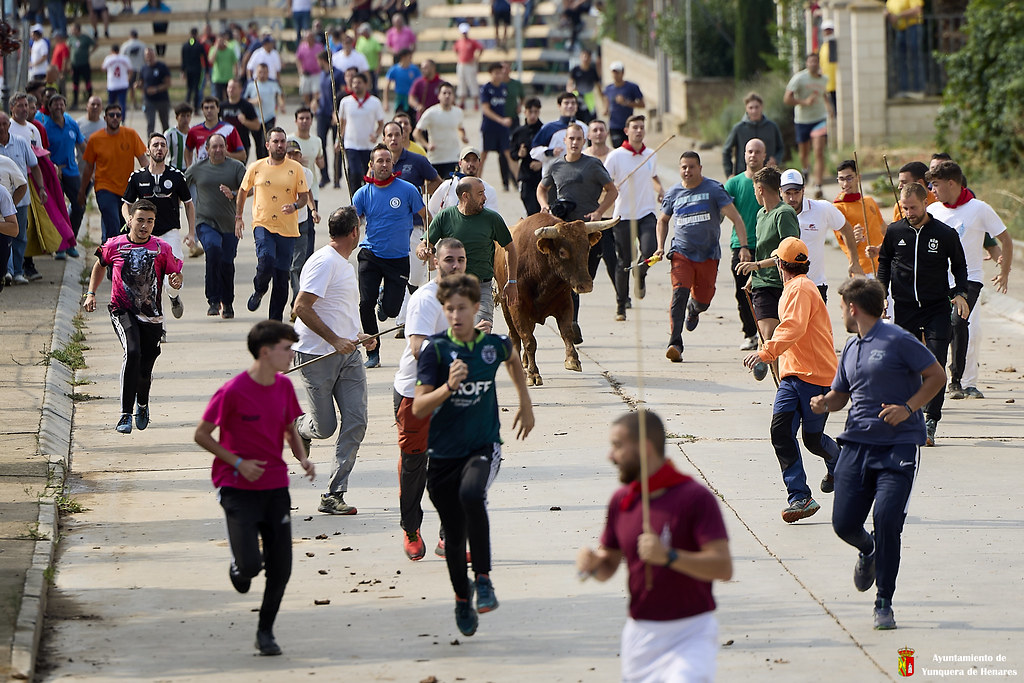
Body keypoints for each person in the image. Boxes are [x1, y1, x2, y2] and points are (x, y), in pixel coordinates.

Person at [810, 276, 945, 630]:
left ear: (852, 308)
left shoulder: (897, 339)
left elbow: (936, 375)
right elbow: (841, 395)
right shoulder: (852, 348)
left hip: (898, 447)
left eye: (840, 306)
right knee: (843, 523)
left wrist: (909, 408)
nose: (840, 312)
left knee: (887, 521)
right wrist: (825, 402)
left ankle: (884, 600)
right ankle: (867, 549)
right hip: (856, 445)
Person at [412, 273, 534, 637]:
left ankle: (483, 579)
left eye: (461, 308)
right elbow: (419, 407)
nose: (455, 316)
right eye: (448, 309)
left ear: (476, 307)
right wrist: (448, 386)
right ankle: (462, 598)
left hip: (483, 445)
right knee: (452, 532)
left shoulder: (491, 345)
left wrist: (525, 403)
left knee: (471, 495)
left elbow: (513, 359)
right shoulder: (434, 351)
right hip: (444, 454)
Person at [577, 410, 732, 681]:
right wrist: (592, 565)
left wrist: (670, 556)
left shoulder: (695, 498)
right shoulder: (621, 502)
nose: (610, 456)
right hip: (640, 636)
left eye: (617, 446)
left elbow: (723, 567)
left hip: (691, 634)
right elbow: (607, 568)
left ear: (645, 447)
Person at [194, 319, 316, 657]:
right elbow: (201, 434)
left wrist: (302, 458)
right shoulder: (232, 391)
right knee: (250, 567)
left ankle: (265, 631)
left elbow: (291, 428)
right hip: (236, 487)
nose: (292, 355)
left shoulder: (284, 388)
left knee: (281, 567)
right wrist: (237, 463)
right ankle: (239, 565)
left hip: (275, 486)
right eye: (287, 349)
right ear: (266, 352)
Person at [742, 236, 840, 522]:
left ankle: (839, 461)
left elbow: (794, 328)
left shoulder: (799, 289)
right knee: (781, 432)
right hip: (794, 376)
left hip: (813, 376)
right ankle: (800, 497)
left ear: (780, 265)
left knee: (812, 440)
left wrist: (766, 352)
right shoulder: (797, 287)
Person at [292, 206, 377, 517]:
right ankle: (300, 427)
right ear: (354, 232)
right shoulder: (323, 262)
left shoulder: (344, 263)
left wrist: (359, 334)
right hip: (317, 355)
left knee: (357, 421)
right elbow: (301, 307)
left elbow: (339, 308)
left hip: (349, 354)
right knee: (324, 427)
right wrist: (334, 340)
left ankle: (334, 493)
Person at [876, 182, 969, 446]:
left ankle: (931, 419)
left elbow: (960, 265)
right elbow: (884, 262)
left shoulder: (944, 233)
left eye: (913, 207)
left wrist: (960, 292)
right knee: (906, 366)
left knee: (935, 363)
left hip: (936, 307)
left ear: (925, 203)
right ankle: (909, 415)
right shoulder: (895, 231)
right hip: (905, 308)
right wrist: (881, 293)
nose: (908, 212)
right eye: (904, 208)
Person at [392, 238, 468, 559]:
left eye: (461, 260)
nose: (455, 265)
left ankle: (448, 537)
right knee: (415, 466)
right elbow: (417, 348)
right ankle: (411, 527)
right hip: (414, 392)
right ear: (436, 262)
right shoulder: (424, 299)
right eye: (449, 259)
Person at [83, 199, 183, 434]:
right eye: (140, 220)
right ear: (130, 220)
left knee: (145, 368)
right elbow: (100, 264)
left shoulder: (161, 248)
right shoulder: (114, 245)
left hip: (152, 317)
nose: (144, 225)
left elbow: (175, 271)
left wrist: (177, 279)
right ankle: (125, 414)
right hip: (122, 310)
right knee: (133, 352)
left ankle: (143, 404)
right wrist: (91, 293)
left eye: (150, 221)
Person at [925, 160, 1013, 401]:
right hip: (939, 280)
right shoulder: (933, 212)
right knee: (939, 329)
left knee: (958, 322)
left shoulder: (979, 209)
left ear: (951, 183)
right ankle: (935, 378)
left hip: (970, 279)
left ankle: (957, 380)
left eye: (936, 185)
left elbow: (1005, 239)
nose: (932, 190)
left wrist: (1004, 271)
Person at [655, 151, 747, 362]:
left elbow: (736, 218)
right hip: (681, 253)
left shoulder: (714, 190)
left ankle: (694, 309)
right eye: (684, 167)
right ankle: (675, 343)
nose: (687, 171)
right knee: (679, 294)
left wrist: (744, 247)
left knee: (704, 301)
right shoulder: (673, 193)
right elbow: (662, 221)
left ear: (700, 168)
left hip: (708, 255)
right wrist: (660, 247)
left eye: (691, 167)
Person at [537, 123, 617, 342]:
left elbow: (612, 190)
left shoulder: (593, 165)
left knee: (582, 277)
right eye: (570, 138)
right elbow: (542, 188)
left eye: (578, 139)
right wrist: (544, 205)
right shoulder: (555, 166)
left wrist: (600, 212)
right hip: (563, 232)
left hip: (585, 230)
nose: (574, 142)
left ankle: (572, 321)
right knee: (570, 280)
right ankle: (572, 324)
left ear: (584, 141)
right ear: (565, 141)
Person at [353, 144, 426, 368]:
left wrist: (427, 241)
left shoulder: (407, 190)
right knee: (365, 303)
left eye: (387, 161)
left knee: (393, 310)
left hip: (398, 259)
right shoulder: (362, 194)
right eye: (379, 161)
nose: (384, 165)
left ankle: (384, 301)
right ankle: (373, 352)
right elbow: (352, 225)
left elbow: (426, 217)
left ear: (393, 164)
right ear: (372, 164)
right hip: (370, 255)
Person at [237, 127, 311, 321]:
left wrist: (295, 206)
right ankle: (259, 289)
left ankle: (275, 321)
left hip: (287, 229)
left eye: (282, 141)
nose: (280, 145)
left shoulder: (296, 168)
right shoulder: (256, 167)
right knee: (267, 260)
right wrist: (238, 217)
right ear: (267, 144)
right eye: (276, 141)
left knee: (281, 278)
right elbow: (243, 191)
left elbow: (304, 197)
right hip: (263, 224)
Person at [425, 176, 517, 327]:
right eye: (480, 194)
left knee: (482, 331)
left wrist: (512, 281)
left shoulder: (492, 219)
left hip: (481, 289)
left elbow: (510, 249)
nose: (485, 198)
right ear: (465, 196)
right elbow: (425, 244)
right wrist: (423, 251)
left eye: (484, 193)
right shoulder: (445, 216)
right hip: (450, 287)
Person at [122, 132, 195, 320]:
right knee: (150, 282)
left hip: (170, 233)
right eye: (155, 145)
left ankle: (174, 297)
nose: (159, 148)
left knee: (173, 279)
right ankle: (159, 326)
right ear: (148, 150)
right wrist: (128, 219)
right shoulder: (137, 177)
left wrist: (192, 232)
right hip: (146, 236)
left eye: (163, 145)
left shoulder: (176, 176)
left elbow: (188, 203)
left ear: (167, 150)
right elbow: (126, 203)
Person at [604, 114, 662, 321]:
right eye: (634, 127)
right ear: (626, 131)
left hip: (647, 212)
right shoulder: (616, 156)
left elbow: (653, 176)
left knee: (650, 251)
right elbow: (605, 182)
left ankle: (641, 274)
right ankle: (621, 304)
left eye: (641, 127)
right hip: (624, 215)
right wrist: (612, 188)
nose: (639, 131)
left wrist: (660, 189)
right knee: (624, 261)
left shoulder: (650, 154)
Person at [735, 166, 800, 344]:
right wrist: (754, 276)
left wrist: (756, 266)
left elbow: (790, 253)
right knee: (767, 338)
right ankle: (766, 366)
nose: (755, 193)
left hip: (781, 284)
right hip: (762, 285)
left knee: (773, 340)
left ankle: (774, 370)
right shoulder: (760, 214)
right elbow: (762, 250)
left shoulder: (784, 213)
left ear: (760, 189)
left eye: (755, 189)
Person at [779, 169, 865, 300]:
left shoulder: (822, 209)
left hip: (815, 286)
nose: (792, 198)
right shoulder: (774, 214)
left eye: (796, 193)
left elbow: (846, 228)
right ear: (780, 191)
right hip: (784, 288)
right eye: (787, 193)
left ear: (803, 189)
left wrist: (854, 261)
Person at [186, 133, 246, 318]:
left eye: (221, 146)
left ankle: (227, 303)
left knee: (227, 263)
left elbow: (249, 189)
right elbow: (180, 186)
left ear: (226, 147)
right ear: (207, 149)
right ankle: (213, 299)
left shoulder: (236, 167)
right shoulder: (197, 169)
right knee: (212, 250)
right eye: (214, 147)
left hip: (230, 224)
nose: (218, 150)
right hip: (205, 222)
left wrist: (234, 194)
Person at [78, 104, 148, 243]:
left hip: (127, 191)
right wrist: (82, 191)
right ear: (105, 118)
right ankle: (113, 261)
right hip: (105, 188)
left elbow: (143, 161)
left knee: (125, 226)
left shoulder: (131, 135)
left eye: (118, 115)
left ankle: (109, 253)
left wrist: (150, 181)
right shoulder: (95, 139)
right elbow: (88, 168)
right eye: (111, 115)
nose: (115, 118)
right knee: (113, 224)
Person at [723, 138, 765, 351]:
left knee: (766, 292)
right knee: (743, 292)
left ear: (764, 156)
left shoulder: (770, 182)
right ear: (744, 155)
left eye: (757, 152)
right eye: (749, 151)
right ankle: (750, 333)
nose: (753, 155)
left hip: (766, 245)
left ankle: (767, 334)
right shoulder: (734, 183)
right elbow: (721, 214)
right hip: (740, 247)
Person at [41, 94, 87, 244]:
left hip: (72, 172)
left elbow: (82, 146)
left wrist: (92, 166)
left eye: (61, 104)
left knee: (79, 206)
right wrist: (52, 167)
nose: (59, 107)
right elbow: (42, 152)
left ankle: (71, 239)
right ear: (49, 107)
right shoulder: (45, 127)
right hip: (54, 174)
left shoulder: (71, 123)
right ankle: (60, 243)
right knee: (58, 209)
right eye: (55, 104)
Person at [784, 54, 831, 199]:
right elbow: (787, 99)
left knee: (818, 151)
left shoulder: (824, 79)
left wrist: (830, 109)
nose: (813, 64)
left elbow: (824, 95)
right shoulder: (799, 78)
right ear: (807, 63)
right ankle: (805, 170)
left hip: (819, 119)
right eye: (811, 61)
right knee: (804, 154)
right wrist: (804, 102)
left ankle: (818, 185)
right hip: (802, 120)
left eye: (816, 61)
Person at [337, 71, 386, 200]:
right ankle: (355, 202)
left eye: (359, 82)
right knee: (354, 173)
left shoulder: (374, 102)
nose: (356, 85)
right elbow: (342, 123)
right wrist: (339, 140)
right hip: (351, 143)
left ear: (366, 84)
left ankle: (368, 199)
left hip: (368, 145)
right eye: (354, 83)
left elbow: (381, 123)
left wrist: (376, 134)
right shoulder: (345, 102)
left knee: (368, 174)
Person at [285, 141, 319, 308]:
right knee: (287, 267)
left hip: (301, 223)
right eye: (289, 154)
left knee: (297, 265)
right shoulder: (279, 172)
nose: (292, 157)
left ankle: (296, 302)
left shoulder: (306, 173)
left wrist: (313, 210)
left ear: (300, 156)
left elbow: (307, 192)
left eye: (295, 154)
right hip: (283, 224)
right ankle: (295, 298)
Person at [721, 92, 785, 177]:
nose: (754, 111)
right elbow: (726, 151)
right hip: (743, 174)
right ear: (746, 108)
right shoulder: (739, 128)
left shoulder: (772, 127)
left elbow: (781, 148)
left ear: (761, 107)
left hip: (767, 175)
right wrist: (729, 173)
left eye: (756, 107)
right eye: (751, 108)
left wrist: (776, 159)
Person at [413, 82, 468, 179]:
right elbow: (416, 133)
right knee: (435, 191)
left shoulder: (458, 112)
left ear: (453, 96)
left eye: (450, 93)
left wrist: (463, 136)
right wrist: (427, 145)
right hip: (435, 159)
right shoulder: (431, 113)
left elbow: (460, 128)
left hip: (453, 157)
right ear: (439, 96)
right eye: (444, 93)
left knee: (450, 189)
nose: (447, 96)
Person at [427, 146, 500, 215]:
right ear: (460, 163)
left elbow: (492, 217)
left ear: (480, 163)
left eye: (474, 160)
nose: (471, 164)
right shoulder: (448, 186)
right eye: (467, 160)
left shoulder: (489, 190)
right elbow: (431, 210)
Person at [529, 92, 583, 179]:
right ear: (559, 106)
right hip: (554, 178)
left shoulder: (584, 128)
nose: (570, 106)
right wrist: (550, 152)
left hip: (578, 177)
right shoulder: (549, 128)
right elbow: (534, 151)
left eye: (573, 103)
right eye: (566, 103)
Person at [186, 97, 246, 166]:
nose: (209, 110)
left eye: (212, 107)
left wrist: (227, 155)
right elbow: (187, 150)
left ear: (218, 109)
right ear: (202, 110)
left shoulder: (230, 129)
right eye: (206, 108)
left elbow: (243, 155)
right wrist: (189, 167)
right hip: (203, 172)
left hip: (223, 171)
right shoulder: (194, 130)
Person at [313, 53, 344, 187]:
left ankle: (337, 177)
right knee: (321, 143)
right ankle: (324, 176)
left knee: (336, 145)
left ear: (322, 60)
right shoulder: (322, 74)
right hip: (322, 113)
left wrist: (336, 111)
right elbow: (322, 92)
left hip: (334, 113)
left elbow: (342, 93)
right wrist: (316, 100)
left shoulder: (337, 74)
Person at [479, 63, 513, 180]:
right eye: (496, 73)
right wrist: (500, 120)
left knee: (508, 153)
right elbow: (485, 109)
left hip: (502, 128)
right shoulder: (486, 89)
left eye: (500, 73)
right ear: (491, 74)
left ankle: (519, 181)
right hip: (489, 126)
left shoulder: (504, 87)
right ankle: (477, 179)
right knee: (484, 154)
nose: (498, 75)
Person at [885, 0, 925, 97]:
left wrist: (898, 15)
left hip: (913, 27)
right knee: (901, 60)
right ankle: (904, 90)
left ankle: (918, 90)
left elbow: (917, 10)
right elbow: (888, 11)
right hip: (900, 30)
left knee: (914, 58)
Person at [510, 98, 543, 216]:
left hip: (542, 177)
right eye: (530, 112)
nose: (533, 115)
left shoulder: (544, 130)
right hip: (526, 177)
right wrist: (519, 154)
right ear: (525, 112)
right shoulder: (519, 132)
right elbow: (512, 154)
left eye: (536, 112)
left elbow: (552, 153)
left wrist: (541, 163)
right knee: (531, 211)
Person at [244, 63, 285, 152]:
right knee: (258, 144)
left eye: (265, 72)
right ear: (256, 72)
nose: (262, 75)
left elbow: (279, 95)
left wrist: (281, 104)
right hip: (255, 118)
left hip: (269, 117)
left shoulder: (273, 83)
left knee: (266, 142)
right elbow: (244, 101)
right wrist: (253, 101)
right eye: (260, 72)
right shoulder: (251, 85)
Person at [602, 62, 644, 148]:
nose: (615, 75)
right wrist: (606, 110)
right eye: (614, 72)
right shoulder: (608, 89)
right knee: (618, 147)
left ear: (623, 73)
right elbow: (606, 101)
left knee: (629, 148)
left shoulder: (631, 87)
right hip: (614, 125)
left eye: (618, 72)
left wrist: (626, 102)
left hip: (628, 124)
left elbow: (642, 104)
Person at [220, 80, 261, 162]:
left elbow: (257, 126)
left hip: (242, 144)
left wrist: (245, 121)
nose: (231, 90)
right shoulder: (221, 106)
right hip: (225, 144)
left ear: (240, 89)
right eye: (229, 87)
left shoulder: (246, 106)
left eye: (234, 88)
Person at [137, 48, 171, 135]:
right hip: (149, 100)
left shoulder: (162, 67)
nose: (149, 57)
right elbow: (141, 81)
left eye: (151, 55)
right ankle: (151, 144)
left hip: (162, 99)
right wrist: (138, 85)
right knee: (150, 123)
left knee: (165, 123)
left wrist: (156, 89)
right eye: (147, 55)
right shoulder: (143, 68)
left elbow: (168, 83)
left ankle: (165, 143)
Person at [453, 23, 483, 110]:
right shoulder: (459, 42)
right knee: (462, 82)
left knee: (472, 82)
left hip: (470, 65)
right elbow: (455, 50)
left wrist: (475, 59)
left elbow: (480, 48)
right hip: (462, 64)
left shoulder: (472, 42)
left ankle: (476, 102)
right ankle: (462, 102)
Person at [384, 49, 421, 116]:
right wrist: (386, 102)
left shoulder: (414, 69)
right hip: (400, 99)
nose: (411, 59)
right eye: (409, 57)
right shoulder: (394, 69)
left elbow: (420, 83)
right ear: (403, 57)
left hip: (412, 98)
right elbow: (387, 86)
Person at [68, 23, 97, 109]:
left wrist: (90, 53)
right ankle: (75, 102)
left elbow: (95, 44)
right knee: (75, 83)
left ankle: (90, 101)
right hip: (74, 64)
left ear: (78, 29)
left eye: (73, 29)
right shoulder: (71, 39)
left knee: (87, 82)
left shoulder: (85, 38)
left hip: (84, 64)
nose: (72, 31)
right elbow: (69, 47)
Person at [568, 49, 600, 118]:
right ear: (580, 57)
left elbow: (598, 87)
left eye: (587, 57)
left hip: (589, 99)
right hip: (578, 97)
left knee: (590, 118)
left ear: (590, 59)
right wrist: (571, 93)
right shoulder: (575, 70)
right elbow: (570, 84)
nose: (585, 59)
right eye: (583, 56)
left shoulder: (593, 71)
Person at [181, 29, 209, 110]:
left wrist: (183, 70)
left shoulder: (185, 45)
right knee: (196, 88)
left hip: (188, 70)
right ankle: (196, 108)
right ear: (196, 34)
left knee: (189, 89)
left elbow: (183, 60)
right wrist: (207, 70)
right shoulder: (199, 45)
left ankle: (186, 107)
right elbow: (205, 57)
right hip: (197, 69)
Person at [209, 31, 240, 102]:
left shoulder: (230, 50)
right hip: (218, 78)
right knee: (218, 97)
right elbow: (211, 61)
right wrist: (216, 48)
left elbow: (235, 63)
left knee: (228, 97)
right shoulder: (213, 49)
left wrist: (236, 75)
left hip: (228, 77)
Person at [120, 30, 146, 111]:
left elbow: (122, 57)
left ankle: (134, 103)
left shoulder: (125, 45)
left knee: (131, 87)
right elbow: (145, 57)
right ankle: (144, 103)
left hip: (130, 69)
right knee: (142, 87)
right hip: (140, 68)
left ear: (130, 36)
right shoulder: (142, 45)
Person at [101, 45, 132, 112]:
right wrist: (128, 79)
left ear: (111, 51)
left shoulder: (109, 58)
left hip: (112, 84)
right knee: (122, 104)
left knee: (111, 104)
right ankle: (122, 120)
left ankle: (109, 118)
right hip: (123, 84)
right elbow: (130, 70)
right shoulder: (125, 58)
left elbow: (103, 68)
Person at [355, 23, 383, 96]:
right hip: (362, 68)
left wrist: (379, 66)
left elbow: (379, 53)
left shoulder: (374, 41)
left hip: (372, 67)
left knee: (374, 86)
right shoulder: (360, 40)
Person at [164, 102, 191, 171]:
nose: (185, 119)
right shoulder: (169, 134)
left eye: (188, 116)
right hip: (174, 169)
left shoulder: (194, 133)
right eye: (182, 116)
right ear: (177, 117)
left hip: (190, 170)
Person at [819, 21, 838, 113]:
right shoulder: (824, 46)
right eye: (826, 30)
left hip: (836, 82)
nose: (828, 32)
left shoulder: (834, 44)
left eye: (830, 30)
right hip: (828, 82)